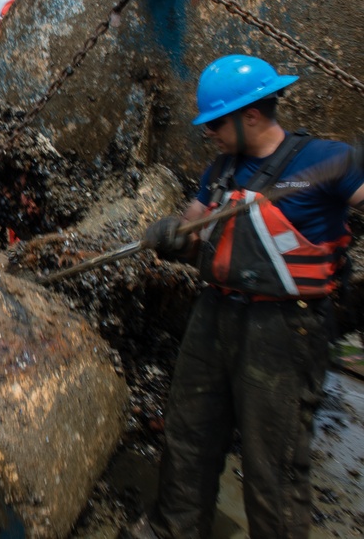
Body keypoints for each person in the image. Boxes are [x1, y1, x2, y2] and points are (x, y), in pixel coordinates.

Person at [134, 55, 364, 539]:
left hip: (284, 329)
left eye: (216, 123)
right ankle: (172, 531)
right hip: (214, 315)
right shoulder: (221, 168)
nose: (209, 133)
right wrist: (173, 231)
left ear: (251, 115)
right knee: (189, 434)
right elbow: (194, 222)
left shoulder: (326, 160)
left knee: (271, 461)